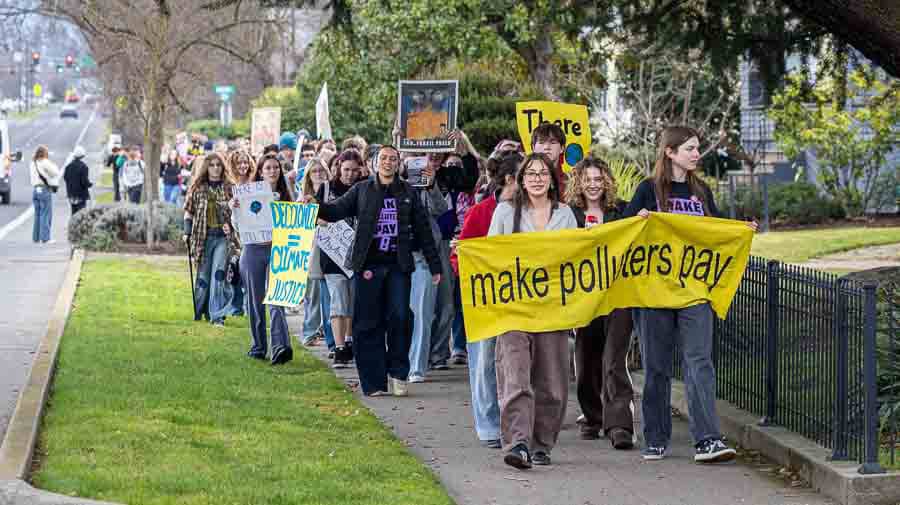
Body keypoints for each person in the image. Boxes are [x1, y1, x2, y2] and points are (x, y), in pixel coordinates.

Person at [623, 125, 757, 463]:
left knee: (700, 363)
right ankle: (655, 438)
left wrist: (740, 230)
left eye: (697, 148)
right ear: (670, 152)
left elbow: (716, 232)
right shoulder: (647, 190)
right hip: (654, 295)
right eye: (690, 148)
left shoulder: (701, 191)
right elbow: (622, 236)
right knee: (656, 367)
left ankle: (708, 439)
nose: (697, 154)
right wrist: (636, 221)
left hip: (694, 293)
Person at [312, 145, 442, 397]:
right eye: (383, 158)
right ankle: (373, 382)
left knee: (401, 318)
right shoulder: (362, 190)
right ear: (374, 163)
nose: (388, 162)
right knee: (367, 323)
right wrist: (314, 204)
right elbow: (335, 210)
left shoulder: (408, 192)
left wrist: (435, 265)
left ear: (398, 164)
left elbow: (424, 229)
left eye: (393, 159)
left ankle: (398, 373)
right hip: (368, 266)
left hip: (398, 266)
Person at [488, 152, 577, 469]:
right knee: (515, 375)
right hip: (513, 308)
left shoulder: (565, 215)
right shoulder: (504, 212)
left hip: (552, 309)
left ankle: (542, 443)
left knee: (552, 381)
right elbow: (490, 255)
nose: (537, 178)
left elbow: (575, 259)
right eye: (531, 173)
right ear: (521, 179)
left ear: (552, 179)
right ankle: (518, 442)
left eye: (543, 173)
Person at [451, 150, 523, 449]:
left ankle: (517, 424)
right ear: (510, 179)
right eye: (525, 174)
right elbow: (460, 256)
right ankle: (489, 426)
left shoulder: (534, 212)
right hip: (484, 299)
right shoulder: (481, 213)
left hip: (520, 299)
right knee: (483, 361)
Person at [565, 157, 635, 449]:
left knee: (614, 359)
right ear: (578, 182)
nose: (593, 185)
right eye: (587, 179)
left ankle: (619, 425)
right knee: (586, 357)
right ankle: (594, 416)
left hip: (618, 294)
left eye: (598, 179)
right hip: (584, 296)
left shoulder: (622, 211)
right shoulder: (569, 214)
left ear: (606, 181)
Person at [230, 153, 294, 365]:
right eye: (267, 168)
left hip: (278, 249)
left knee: (276, 299)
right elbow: (239, 227)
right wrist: (235, 210)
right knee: (255, 300)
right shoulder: (247, 195)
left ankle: (280, 347)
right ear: (260, 171)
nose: (272, 171)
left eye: (276, 167)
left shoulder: (286, 195)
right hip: (252, 251)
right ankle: (258, 346)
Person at [314, 150, 365, 368]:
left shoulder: (365, 188)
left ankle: (350, 340)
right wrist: (323, 221)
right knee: (338, 299)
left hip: (358, 255)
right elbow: (314, 214)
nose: (350, 174)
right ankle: (339, 346)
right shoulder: (326, 189)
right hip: (332, 254)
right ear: (338, 168)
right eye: (346, 170)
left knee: (354, 300)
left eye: (355, 170)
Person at [182, 153, 239, 326]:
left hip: (223, 238)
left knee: (219, 275)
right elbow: (188, 212)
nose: (215, 168)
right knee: (203, 277)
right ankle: (201, 311)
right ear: (207, 167)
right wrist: (186, 231)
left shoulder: (230, 188)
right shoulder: (197, 188)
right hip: (202, 238)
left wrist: (233, 219)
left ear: (223, 167)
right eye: (212, 165)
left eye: (219, 165)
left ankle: (217, 316)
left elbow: (239, 213)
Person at [298, 157, 336, 353]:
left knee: (329, 293)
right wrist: (317, 219)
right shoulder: (303, 196)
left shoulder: (332, 193)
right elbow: (298, 221)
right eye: (314, 171)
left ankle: (328, 331)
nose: (319, 174)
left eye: (322, 170)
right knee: (312, 292)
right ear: (308, 176)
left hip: (333, 248)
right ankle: (310, 331)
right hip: (312, 248)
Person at [30, 145, 60, 244]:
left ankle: (36, 237)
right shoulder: (45, 162)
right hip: (44, 189)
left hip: (35, 189)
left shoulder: (32, 163)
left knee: (37, 214)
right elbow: (55, 172)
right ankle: (45, 238)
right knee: (46, 214)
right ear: (45, 153)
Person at [530, 123, 568, 194]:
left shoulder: (569, 183)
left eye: (553, 142)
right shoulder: (524, 181)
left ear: (562, 148)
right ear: (533, 147)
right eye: (541, 142)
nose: (547, 147)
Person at [63, 146, 92, 215]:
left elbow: (65, 178)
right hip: (80, 194)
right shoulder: (83, 166)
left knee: (73, 212)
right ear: (82, 156)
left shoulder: (68, 166)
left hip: (71, 193)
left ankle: (72, 225)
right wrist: (90, 184)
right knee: (81, 214)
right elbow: (84, 181)